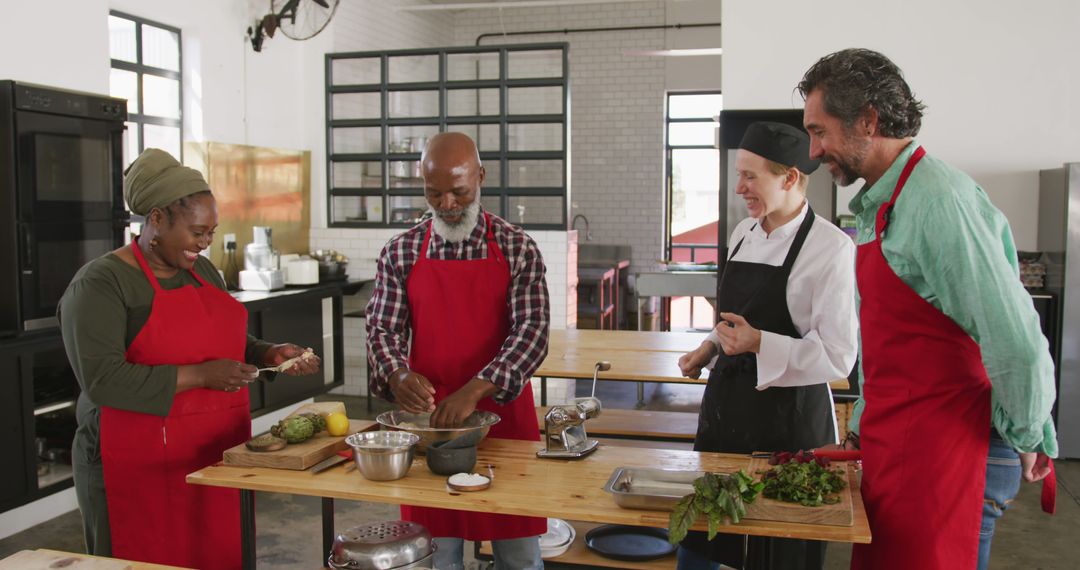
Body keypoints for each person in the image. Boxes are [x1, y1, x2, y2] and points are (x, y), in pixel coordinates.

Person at [797, 48, 1057, 570]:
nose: (812, 150)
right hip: (903, 448)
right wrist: (864, 422)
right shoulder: (881, 204)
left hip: (950, 457)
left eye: (819, 131)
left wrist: (1027, 434)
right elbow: (891, 345)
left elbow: (1016, 343)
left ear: (868, 120)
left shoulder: (939, 202)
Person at [59, 148, 321, 570]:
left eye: (212, 232)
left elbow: (227, 339)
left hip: (212, 453)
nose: (205, 242)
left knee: (217, 552)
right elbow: (103, 380)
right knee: (142, 559)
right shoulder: (102, 284)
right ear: (157, 220)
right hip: (133, 461)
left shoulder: (203, 270)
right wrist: (201, 376)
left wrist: (266, 352)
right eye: (197, 231)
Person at [676, 122, 858, 570]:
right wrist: (709, 348)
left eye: (750, 176)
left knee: (777, 551)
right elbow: (734, 321)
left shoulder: (830, 248)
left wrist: (760, 343)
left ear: (790, 178)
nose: (739, 188)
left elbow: (839, 357)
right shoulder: (744, 233)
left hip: (789, 423)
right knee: (704, 542)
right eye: (738, 174)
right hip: (726, 412)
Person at [365, 132, 550, 570]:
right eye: (435, 193)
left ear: (481, 177)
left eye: (460, 191)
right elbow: (382, 330)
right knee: (435, 554)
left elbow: (533, 331)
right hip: (431, 427)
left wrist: (474, 391)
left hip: (503, 421)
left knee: (519, 556)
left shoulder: (516, 247)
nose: (447, 203)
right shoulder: (401, 252)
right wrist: (397, 375)